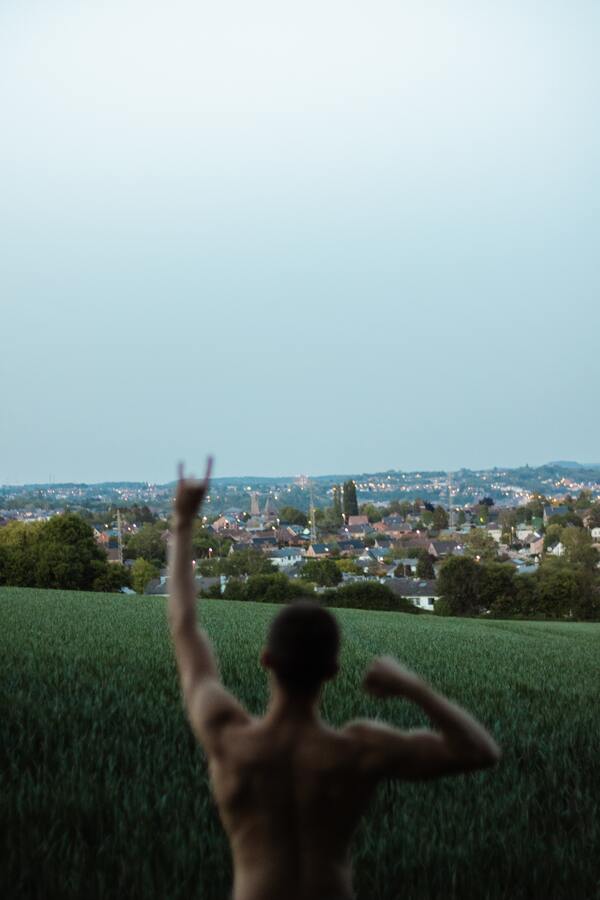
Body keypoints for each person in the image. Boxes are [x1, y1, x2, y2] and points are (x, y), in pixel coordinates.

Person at [168, 460, 501, 900]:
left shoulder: (230, 740)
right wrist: (412, 687)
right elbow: (479, 752)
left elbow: (185, 627)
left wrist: (183, 523)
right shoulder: (357, 750)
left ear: (267, 659)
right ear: (333, 669)